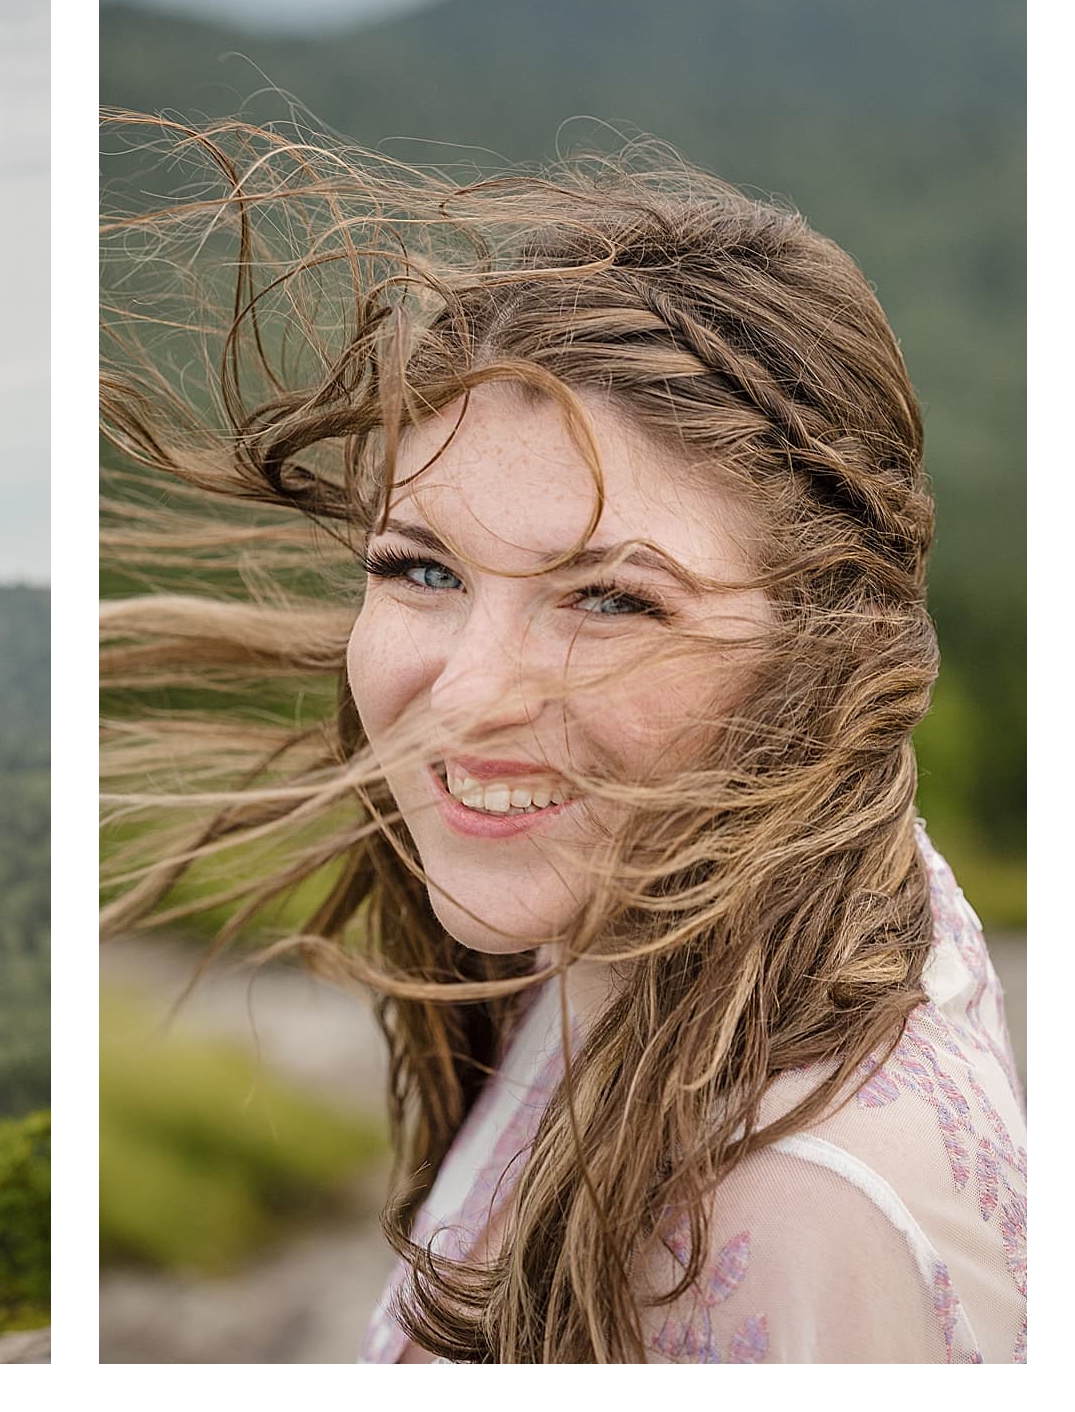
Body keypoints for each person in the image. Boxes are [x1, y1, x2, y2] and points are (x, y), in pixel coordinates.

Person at [99, 116, 1026, 1363]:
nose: (471, 695)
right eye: (418, 569)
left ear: (826, 646)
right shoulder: (621, 935)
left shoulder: (797, 1217)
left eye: (609, 599)